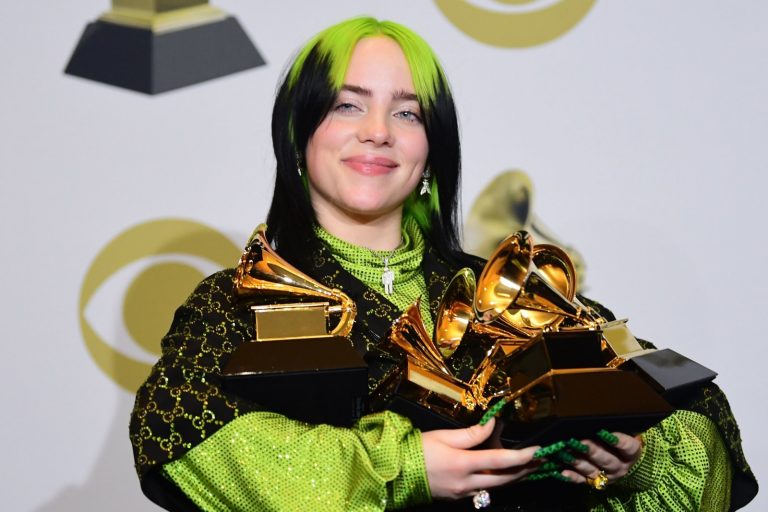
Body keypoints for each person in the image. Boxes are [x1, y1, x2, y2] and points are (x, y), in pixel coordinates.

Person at [129, 17, 757, 511]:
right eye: (348, 105)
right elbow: (183, 435)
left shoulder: (516, 291)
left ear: (431, 152)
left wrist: (635, 459)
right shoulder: (236, 303)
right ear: (298, 134)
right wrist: (407, 468)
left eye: (407, 112)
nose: (378, 131)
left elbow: (699, 426)